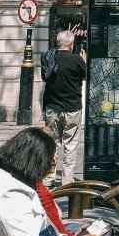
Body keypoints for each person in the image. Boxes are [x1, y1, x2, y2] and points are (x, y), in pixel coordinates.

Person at [42, 30, 86, 187]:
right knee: (71, 145)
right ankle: (67, 180)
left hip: (53, 108)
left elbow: (44, 77)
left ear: (57, 42)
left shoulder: (48, 58)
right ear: (72, 44)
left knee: (52, 143)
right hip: (72, 108)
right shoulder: (77, 60)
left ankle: (49, 178)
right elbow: (85, 75)